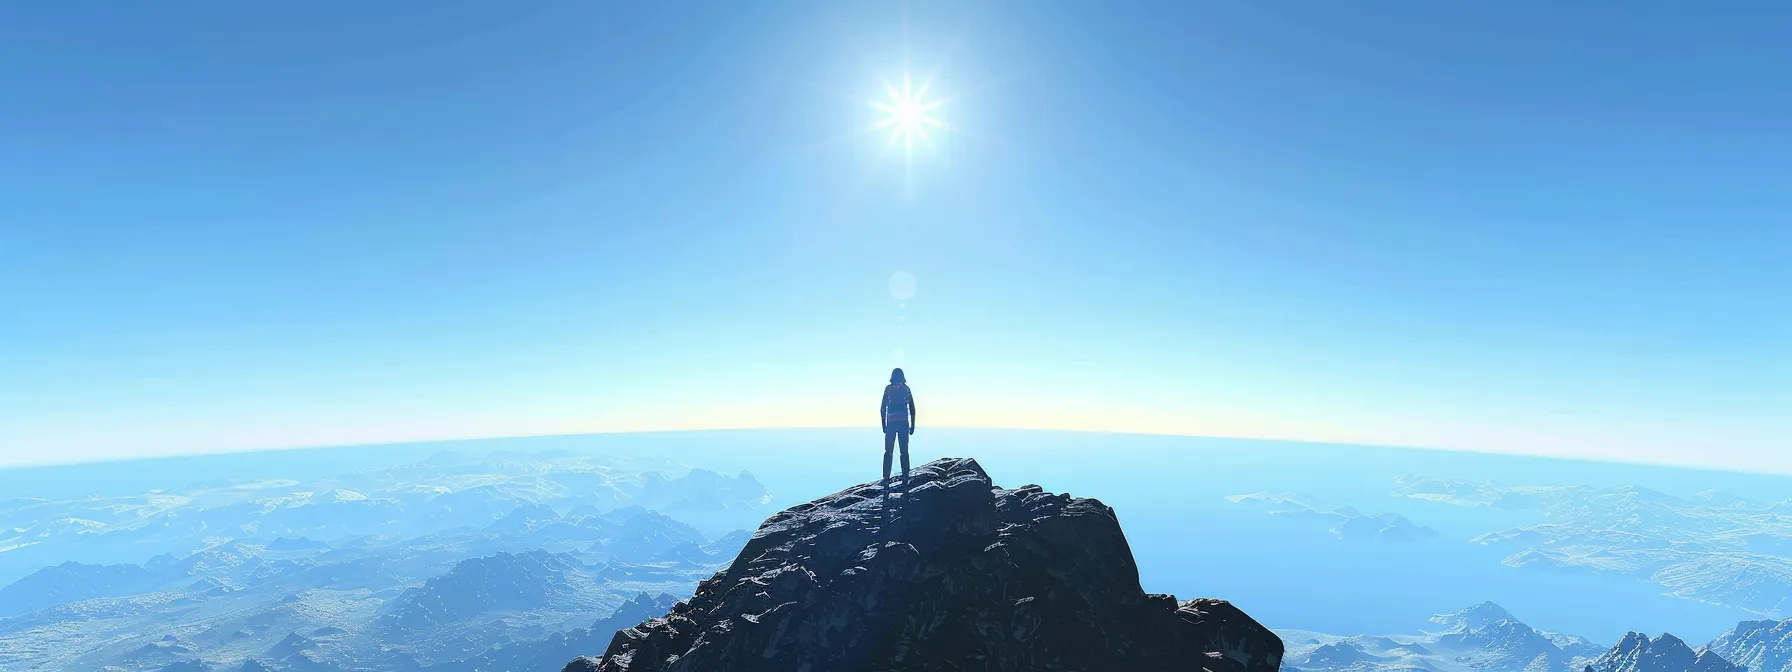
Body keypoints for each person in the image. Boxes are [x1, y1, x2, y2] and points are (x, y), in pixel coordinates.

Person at [880, 368, 917, 502]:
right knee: (902, 453)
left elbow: (882, 408)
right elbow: (912, 408)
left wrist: (883, 424)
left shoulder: (889, 389)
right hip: (902, 424)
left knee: (890, 452)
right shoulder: (905, 389)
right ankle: (904, 479)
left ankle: (887, 480)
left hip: (893, 424)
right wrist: (912, 425)